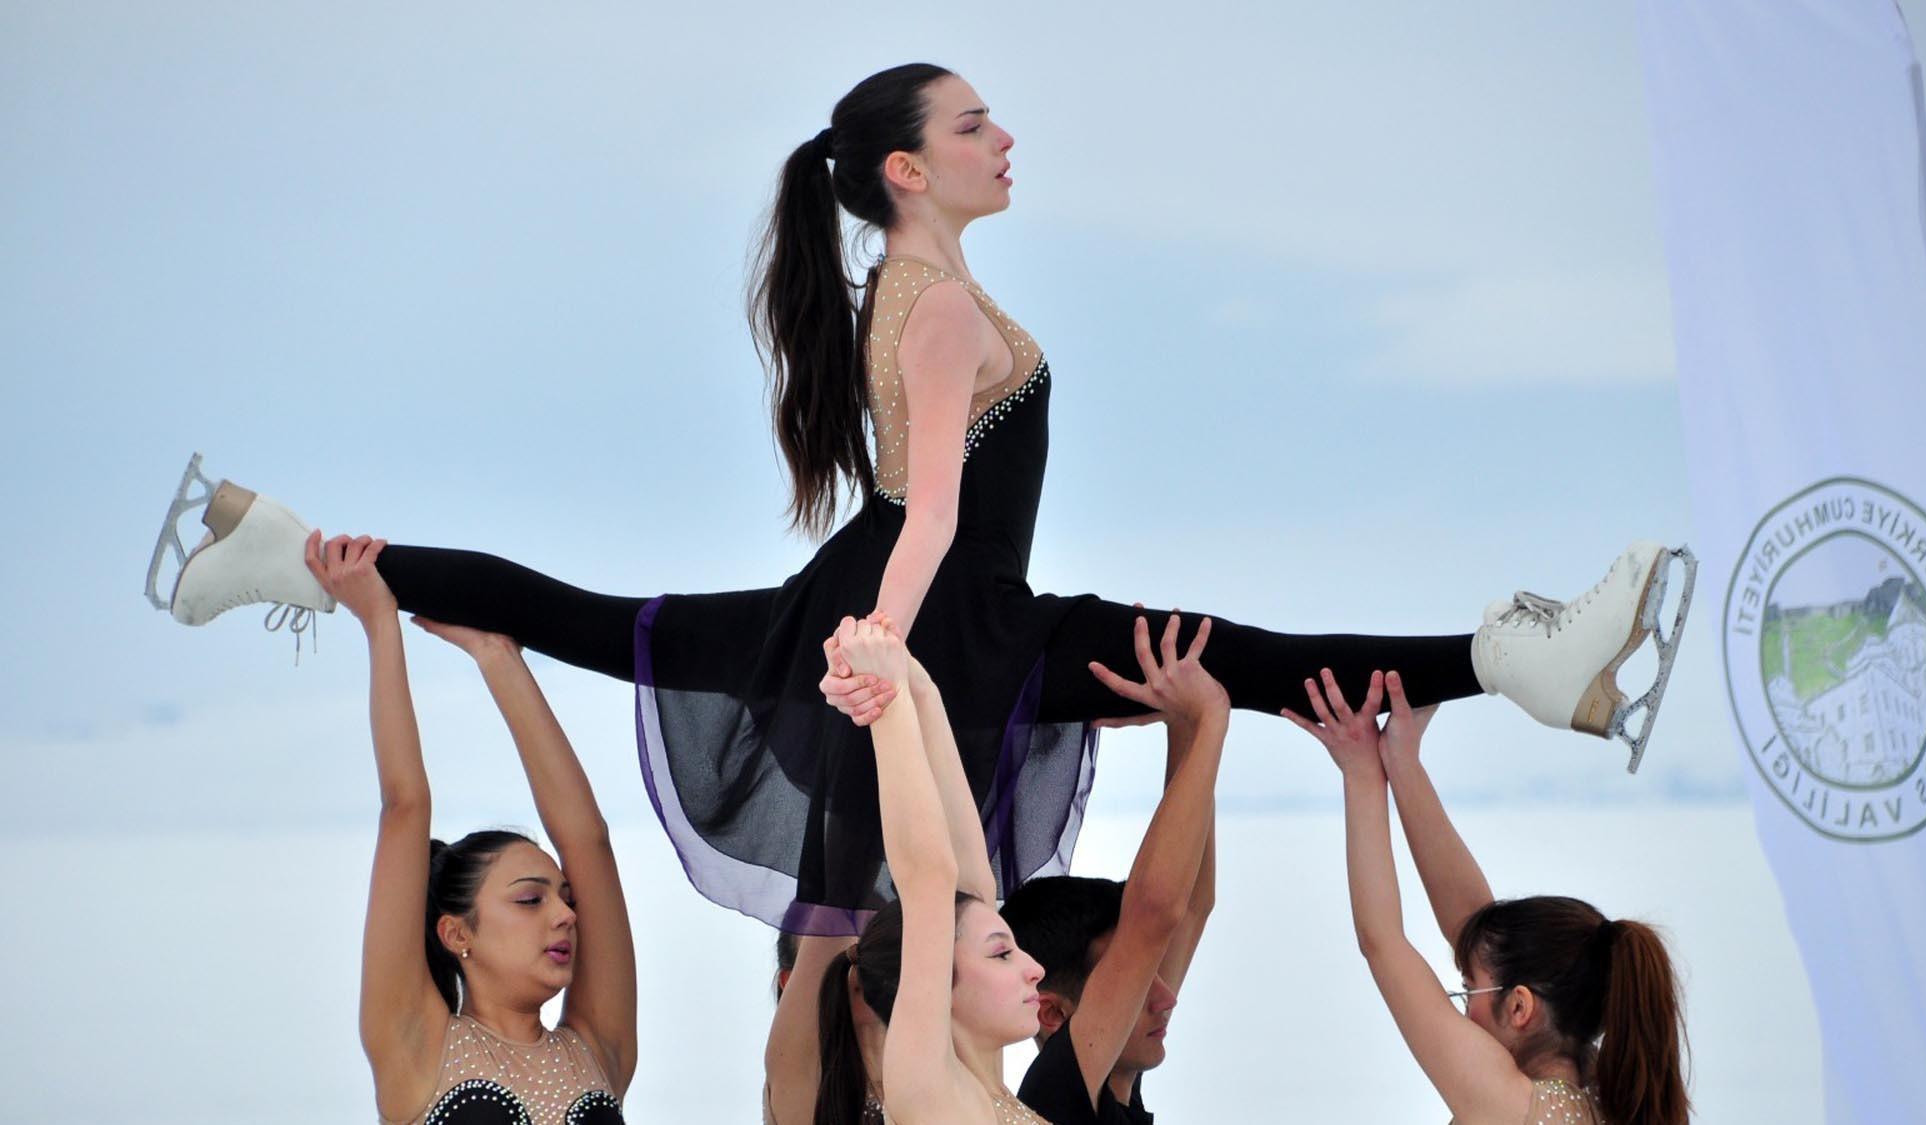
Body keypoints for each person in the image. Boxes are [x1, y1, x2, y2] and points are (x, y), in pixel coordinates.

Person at [148, 62, 1693, 934]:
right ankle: (1510, 664)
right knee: (1234, 657)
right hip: (944, 610)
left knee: (598, 622)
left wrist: (882, 628)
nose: (1005, 137)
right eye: (973, 126)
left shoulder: (924, 285)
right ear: (903, 170)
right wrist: (882, 645)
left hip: (948, 607)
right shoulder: (938, 307)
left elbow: (927, 506)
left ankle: (278, 545)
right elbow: (936, 505)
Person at [312, 533, 638, 1124]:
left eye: (564, 899)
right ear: (456, 933)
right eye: (530, 900)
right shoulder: (416, 1046)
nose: (567, 914)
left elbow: (587, 839)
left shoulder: (598, 1050)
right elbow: (404, 807)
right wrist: (380, 623)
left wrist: (497, 654)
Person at [1286, 667, 1690, 1125]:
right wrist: (1402, 763)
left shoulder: (1508, 1103)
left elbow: (1382, 940)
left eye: (1468, 988)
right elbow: (1474, 924)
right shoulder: (1605, 1089)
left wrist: (1361, 772)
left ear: (1519, 1006)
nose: (1462, 1005)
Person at [764, 612, 1003, 1124]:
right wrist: (876, 691)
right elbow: (853, 881)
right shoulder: (799, 1073)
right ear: (789, 984)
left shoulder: (956, 1062)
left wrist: (916, 686)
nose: (875, 955)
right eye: (858, 947)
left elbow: (969, 896)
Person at [816, 615, 1053, 1124]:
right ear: (931, 983)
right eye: (1003, 954)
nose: (1035, 967)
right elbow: (928, 883)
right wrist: (885, 700)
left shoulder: (987, 1086)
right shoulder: (933, 1096)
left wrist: (917, 687)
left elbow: (970, 888)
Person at [1001, 613, 1225, 1124]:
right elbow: (1156, 914)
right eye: (1137, 974)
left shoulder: (1114, 1088)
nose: (1167, 997)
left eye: (1145, 972)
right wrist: (1212, 719)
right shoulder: (1053, 1102)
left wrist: (1184, 727)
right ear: (1052, 1013)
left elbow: (1188, 905)